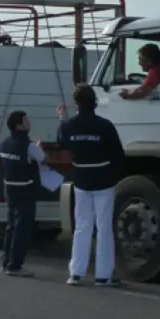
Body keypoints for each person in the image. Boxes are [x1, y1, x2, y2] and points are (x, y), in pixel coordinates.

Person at [57, 84, 125, 287]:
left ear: (76, 103)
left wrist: (62, 117)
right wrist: (114, 174)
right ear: (94, 101)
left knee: (82, 225)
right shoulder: (105, 125)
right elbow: (118, 156)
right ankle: (103, 275)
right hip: (103, 179)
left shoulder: (69, 126)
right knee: (104, 227)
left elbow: (62, 140)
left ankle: (76, 272)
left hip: (81, 179)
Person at [0, 110, 45, 277]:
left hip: (9, 188)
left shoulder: (4, 144)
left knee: (11, 225)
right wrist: (39, 146)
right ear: (19, 126)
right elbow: (41, 158)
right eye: (26, 120)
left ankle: (6, 262)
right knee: (23, 228)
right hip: (26, 189)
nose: (29, 123)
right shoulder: (29, 146)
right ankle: (15, 265)